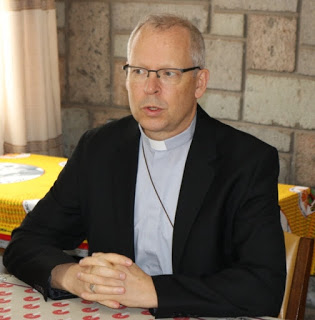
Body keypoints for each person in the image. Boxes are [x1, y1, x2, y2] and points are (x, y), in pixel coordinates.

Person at [3, 14, 286, 319]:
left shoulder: (247, 161)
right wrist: (70, 276)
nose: (150, 88)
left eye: (167, 73)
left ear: (199, 83)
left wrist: (153, 291)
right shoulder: (99, 148)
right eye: (138, 71)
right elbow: (26, 242)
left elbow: (263, 288)